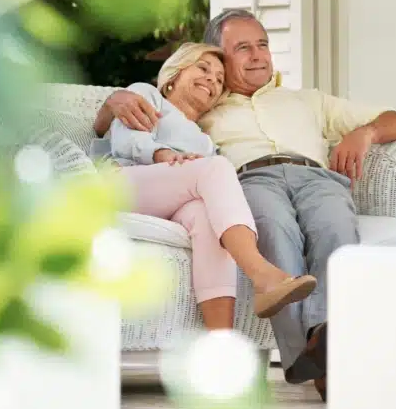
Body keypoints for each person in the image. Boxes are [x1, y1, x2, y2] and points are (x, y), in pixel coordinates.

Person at [93, 10, 396, 401]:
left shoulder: (303, 101)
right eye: (242, 48)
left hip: (316, 177)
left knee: (335, 228)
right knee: (273, 228)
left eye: (262, 44)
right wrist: (115, 102)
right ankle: (306, 353)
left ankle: (255, 350)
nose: (258, 55)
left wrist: (366, 132)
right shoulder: (203, 112)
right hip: (250, 179)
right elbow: (117, 126)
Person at [89, 41, 317, 332]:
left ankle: (220, 344)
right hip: (122, 182)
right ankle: (262, 274)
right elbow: (126, 139)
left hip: (169, 199)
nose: (212, 78)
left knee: (207, 217)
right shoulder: (148, 95)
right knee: (216, 169)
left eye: (219, 79)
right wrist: (163, 154)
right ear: (172, 77)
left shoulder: (205, 141)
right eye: (203, 68)